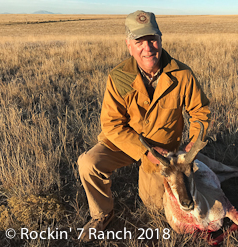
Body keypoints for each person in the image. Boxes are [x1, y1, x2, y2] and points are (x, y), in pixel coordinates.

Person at [77, 10, 210, 242]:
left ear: (160, 40)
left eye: (152, 39)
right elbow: (111, 124)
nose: (147, 47)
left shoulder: (182, 74)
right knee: (88, 163)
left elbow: (200, 112)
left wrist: (192, 145)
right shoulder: (118, 77)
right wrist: (143, 152)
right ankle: (102, 214)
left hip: (164, 152)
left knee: (154, 206)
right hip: (124, 143)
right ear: (129, 45)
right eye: (139, 41)